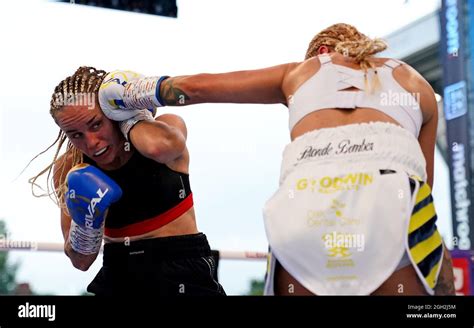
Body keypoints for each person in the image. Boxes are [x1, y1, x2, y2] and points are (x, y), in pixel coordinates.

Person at [100, 23, 455, 295]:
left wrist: (127, 93)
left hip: (305, 201)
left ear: (320, 51)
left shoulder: (300, 72)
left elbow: (195, 87)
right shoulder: (416, 83)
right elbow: (423, 187)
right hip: (389, 193)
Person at [29, 67, 225, 296]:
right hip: (118, 275)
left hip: (182, 269)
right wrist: (87, 223)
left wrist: (130, 116)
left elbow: (159, 147)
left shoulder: (165, 127)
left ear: (112, 113)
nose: (91, 142)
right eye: (76, 134)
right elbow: (80, 261)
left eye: (96, 124)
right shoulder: (70, 167)